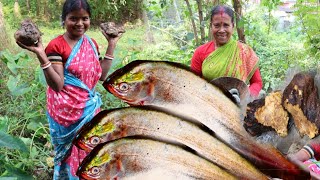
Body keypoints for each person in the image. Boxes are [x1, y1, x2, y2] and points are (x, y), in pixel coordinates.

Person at [15, 0, 122, 179]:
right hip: (66, 113)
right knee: (70, 154)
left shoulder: (91, 43)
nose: (80, 23)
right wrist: (41, 54)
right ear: (64, 20)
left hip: (89, 109)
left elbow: (101, 76)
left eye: (84, 18)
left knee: (92, 152)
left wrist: (112, 43)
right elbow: (57, 85)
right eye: (73, 18)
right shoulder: (56, 46)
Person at [190, 5, 263, 98]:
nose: (221, 30)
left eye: (226, 25)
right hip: (209, 104)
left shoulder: (244, 52)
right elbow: (193, 83)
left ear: (233, 26)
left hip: (238, 105)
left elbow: (257, 82)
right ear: (211, 26)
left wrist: (247, 97)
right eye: (217, 25)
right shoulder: (200, 52)